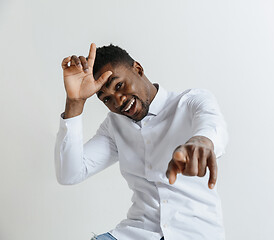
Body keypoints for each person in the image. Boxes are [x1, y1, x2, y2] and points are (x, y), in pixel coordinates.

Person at [55, 43, 228, 240]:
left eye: (119, 86)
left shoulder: (190, 102)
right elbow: (70, 174)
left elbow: (213, 125)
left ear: (137, 68)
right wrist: (74, 102)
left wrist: (201, 142)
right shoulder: (114, 126)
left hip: (194, 233)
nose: (118, 101)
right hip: (138, 233)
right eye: (107, 99)